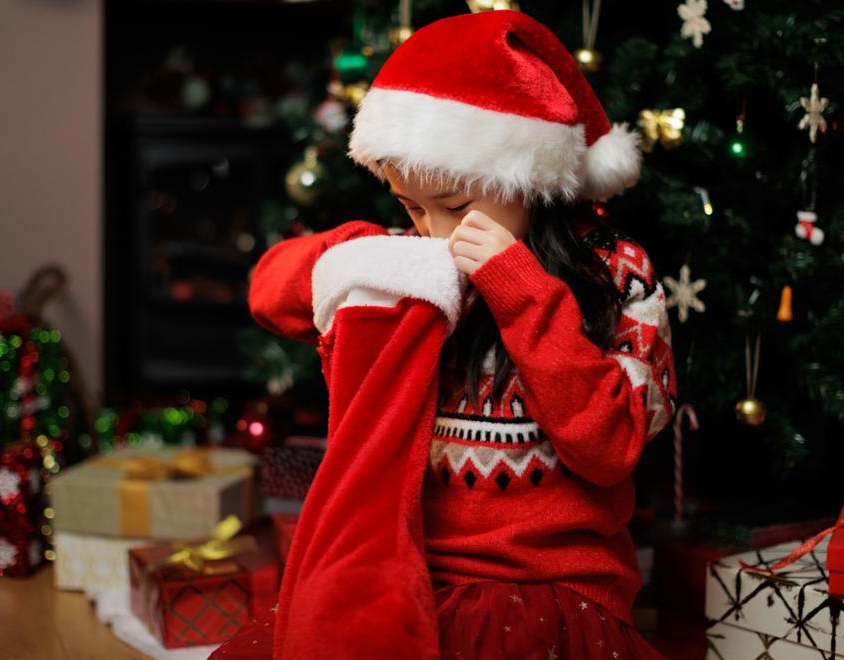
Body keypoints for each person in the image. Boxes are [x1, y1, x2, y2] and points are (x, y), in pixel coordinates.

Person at [217, 9, 675, 659]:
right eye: (410, 205)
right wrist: (359, 252)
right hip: (412, 571)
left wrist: (519, 290)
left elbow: (609, 447)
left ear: (526, 176)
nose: (433, 229)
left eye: (457, 206)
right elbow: (270, 292)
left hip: (546, 587)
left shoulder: (618, 274)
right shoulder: (418, 261)